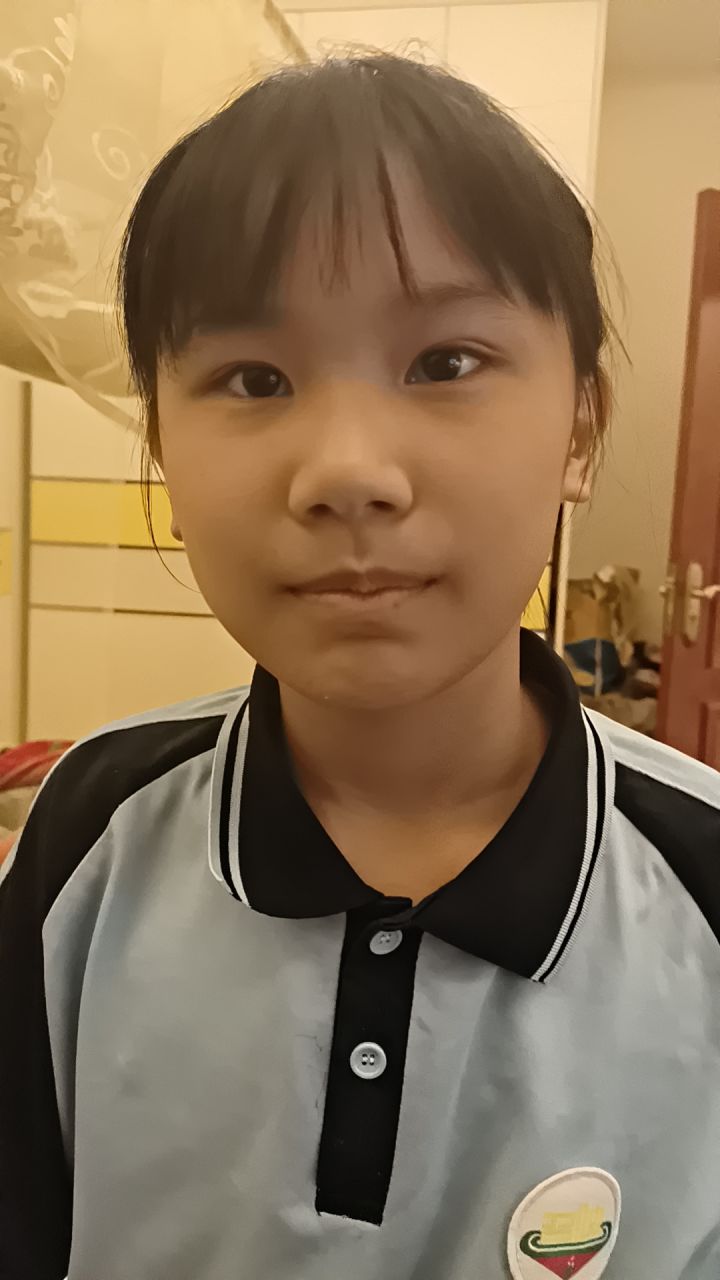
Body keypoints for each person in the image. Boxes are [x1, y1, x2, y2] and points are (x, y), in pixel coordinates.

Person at [1, 53, 719, 1280]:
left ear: (581, 428)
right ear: (162, 443)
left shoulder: (700, 880)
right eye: (254, 379)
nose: (346, 469)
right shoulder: (91, 840)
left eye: (445, 363)